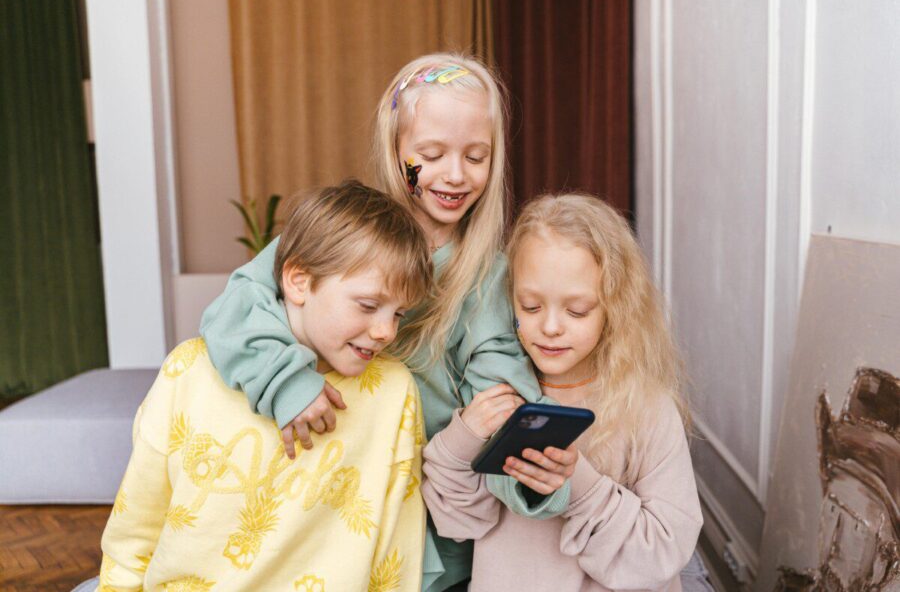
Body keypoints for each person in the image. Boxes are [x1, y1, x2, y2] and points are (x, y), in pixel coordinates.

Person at [199, 53, 568, 591]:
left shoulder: (490, 276)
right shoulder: (346, 233)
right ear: (395, 150)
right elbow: (235, 304)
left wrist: (531, 470)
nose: (456, 174)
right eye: (432, 153)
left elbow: (500, 388)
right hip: (315, 492)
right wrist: (283, 381)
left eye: (476, 156)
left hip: (414, 526)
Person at [99, 182, 431, 591]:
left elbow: (398, 546)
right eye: (366, 306)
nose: (385, 331)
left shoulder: (393, 391)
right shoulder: (189, 370)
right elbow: (137, 523)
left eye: (398, 314)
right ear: (299, 281)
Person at [422, 193, 703, 591]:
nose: (550, 327)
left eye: (577, 311)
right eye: (531, 306)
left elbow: (663, 552)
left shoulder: (645, 408)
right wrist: (464, 436)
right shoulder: (497, 391)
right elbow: (457, 522)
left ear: (615, 305)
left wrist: (579, 485)